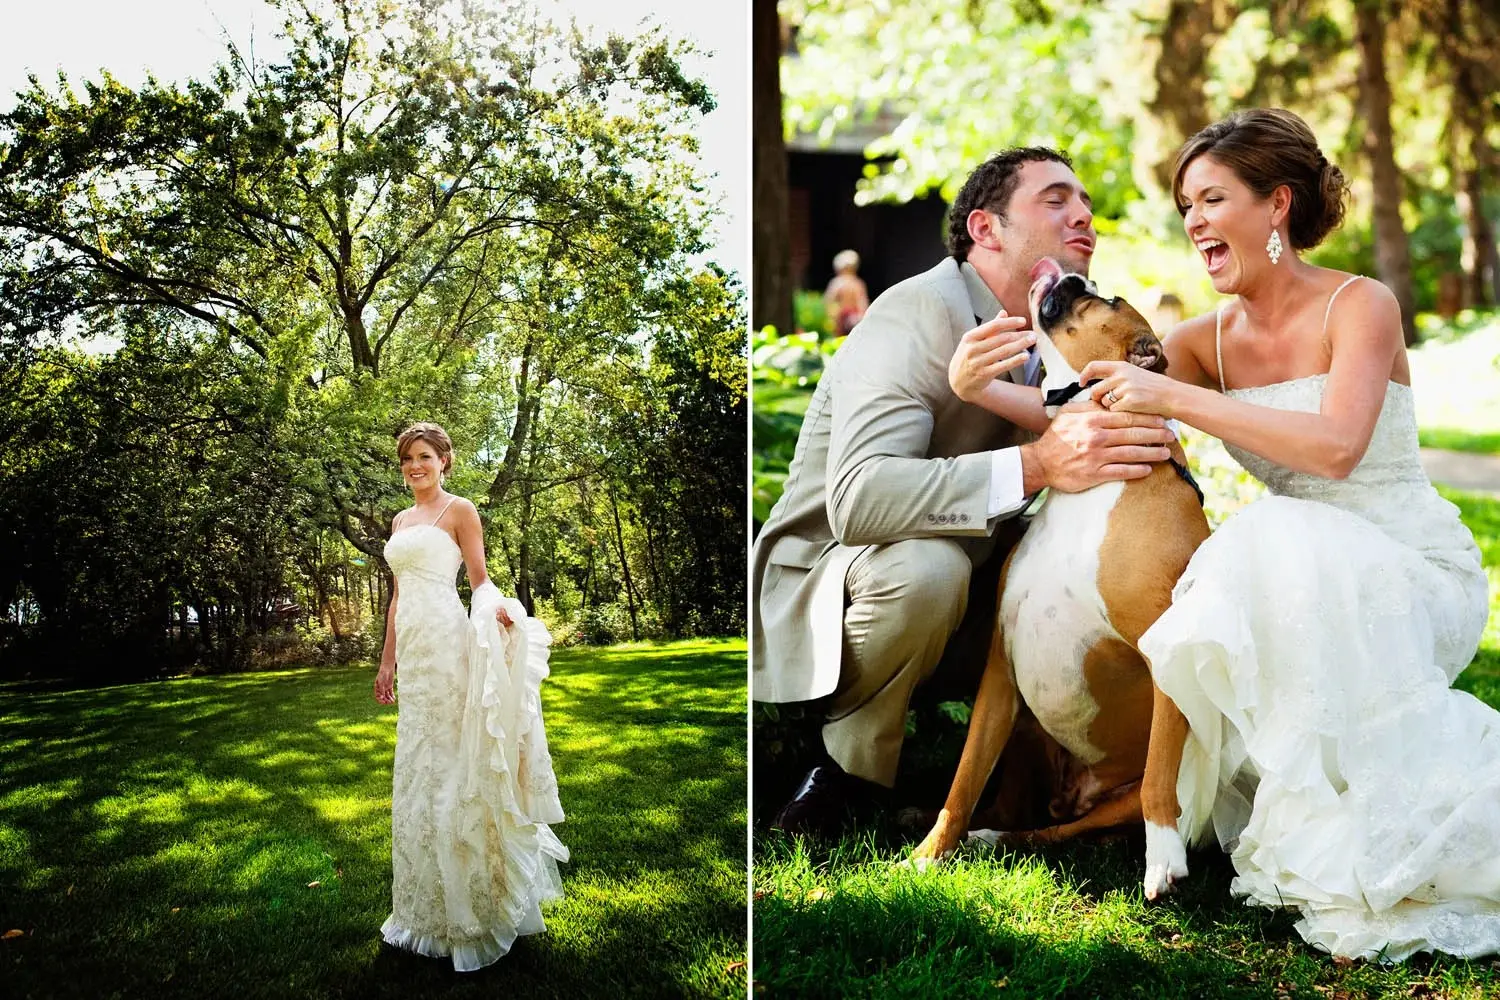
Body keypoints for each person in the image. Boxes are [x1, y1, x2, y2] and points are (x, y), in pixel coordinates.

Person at [960, 109, 1496, 962]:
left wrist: (1175, 397)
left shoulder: (1361, 305)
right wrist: (980, 390)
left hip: (1405, 565)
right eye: (1186, 206)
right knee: (1264, 544)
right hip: (1293, 569)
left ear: (1277, 204)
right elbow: (1097, 397)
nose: (1194, 220)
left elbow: (1336, 447)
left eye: (1212, 199)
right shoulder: (1204, 339)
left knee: (1261, 533)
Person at [752, 148, 1180, 835]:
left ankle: (1061, 764)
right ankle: (843, 772)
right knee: (929, 569)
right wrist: (1038, 464)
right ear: (985, 229)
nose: (1083, 217)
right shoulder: (915, 314)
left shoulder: (1064, 330)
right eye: (1055, 200)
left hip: (979, 578)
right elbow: (859, 499)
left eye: (1086, 204)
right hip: (837, 579)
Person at [374, 421, 568, 971]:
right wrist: (387, 660)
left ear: (444, 460)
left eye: (425, 456)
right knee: (420, 768)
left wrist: (498, 608)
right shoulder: (400, 520)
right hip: (414, 653)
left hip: (447, 643)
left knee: (456, 765)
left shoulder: (459, 511)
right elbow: (397, 598)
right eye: (408, 458)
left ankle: (476, 904)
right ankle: (422, 910)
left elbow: (479, 580)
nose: (416, 466)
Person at [823, 249, 871, 337]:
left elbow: (828, 301)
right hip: (849, 320)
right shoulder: (856, 283)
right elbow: (862, 304)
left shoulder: (838, 283)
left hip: (843, 320)